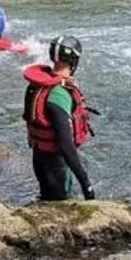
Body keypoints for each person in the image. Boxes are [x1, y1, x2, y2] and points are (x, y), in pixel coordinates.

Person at [23, 36, 95, 202]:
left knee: (46, 199)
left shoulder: (37, 85)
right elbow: (65, 145)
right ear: (74, 61)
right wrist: (86, 184)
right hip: (56, 166)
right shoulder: (59, 94)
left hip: (38, 158)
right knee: (60, 202)